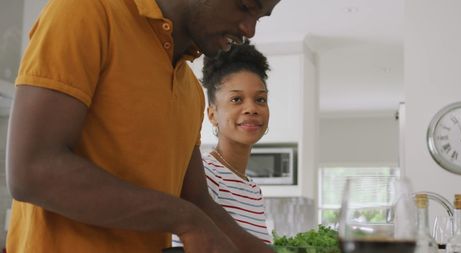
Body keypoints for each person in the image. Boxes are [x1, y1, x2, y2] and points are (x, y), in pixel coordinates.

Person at [5, 0, 280, 252]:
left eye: (260, 17)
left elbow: (197, 200)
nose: (249, 30)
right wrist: (186, 219)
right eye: (244, 6)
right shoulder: (88, 12)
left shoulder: (190, 90)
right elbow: (33, 170)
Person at [173, 40, 272, 246]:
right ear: (212, 114)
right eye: (236, 100)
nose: (251, 108)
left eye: (260, 99)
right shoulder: (203, 178)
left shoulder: (253, 191)